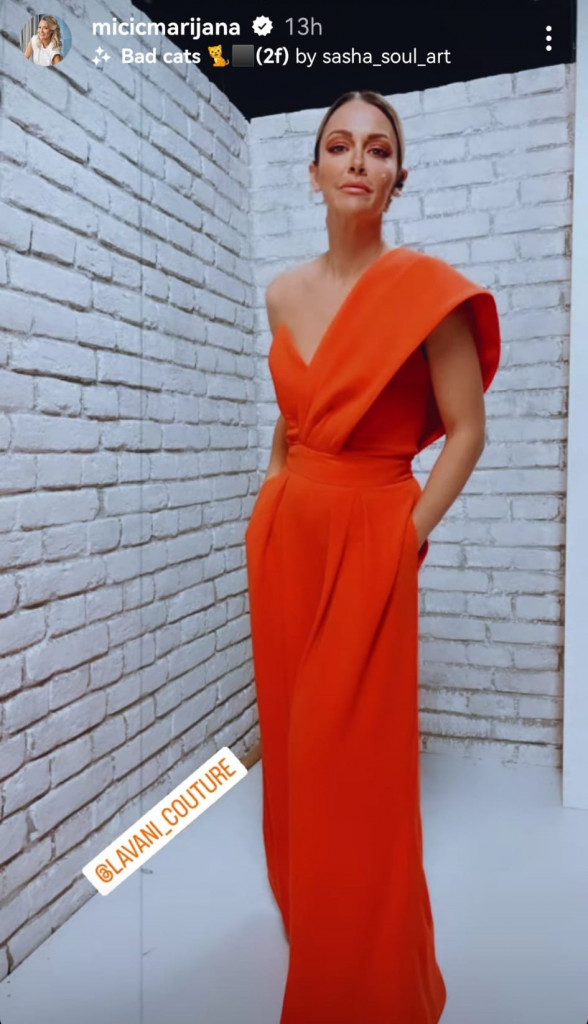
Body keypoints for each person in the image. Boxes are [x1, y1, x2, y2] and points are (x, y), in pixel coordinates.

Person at [245, 89, 501, 1023]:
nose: (359, 161)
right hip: (288, 537)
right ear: (313, 171)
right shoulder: (282, 292)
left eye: (379, 149)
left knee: (352, 761)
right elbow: (297, 410)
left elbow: (468, 431)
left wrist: (405, 534)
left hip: (373, 533)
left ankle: (370, 981)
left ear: (399, 176)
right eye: (340, 146)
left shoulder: (426, 292)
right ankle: (315, 921)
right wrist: (273, 488)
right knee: (295, 747)